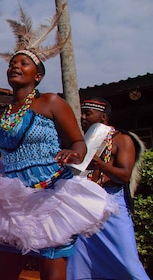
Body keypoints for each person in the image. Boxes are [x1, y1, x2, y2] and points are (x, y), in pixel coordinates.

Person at [0, 6, 117, 280]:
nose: (15, 67)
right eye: (12, 64)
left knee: (52, 272)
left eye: (23, 64)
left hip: (50, 195)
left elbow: (79, 143)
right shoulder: (0, 118)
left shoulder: (52, 102)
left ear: (38, 75)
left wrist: (71, 153)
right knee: (5, 273)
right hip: (11, 202)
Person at [67, 97, 150, 279]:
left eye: (88, 113)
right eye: (82, 113)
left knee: (127, 261)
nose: (83, 117)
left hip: (113, 204)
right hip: (86, 206)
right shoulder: (85, 141)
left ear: (103, 117)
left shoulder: (123, 139)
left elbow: (124, 175)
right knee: (81, 261)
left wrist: (100, 164)